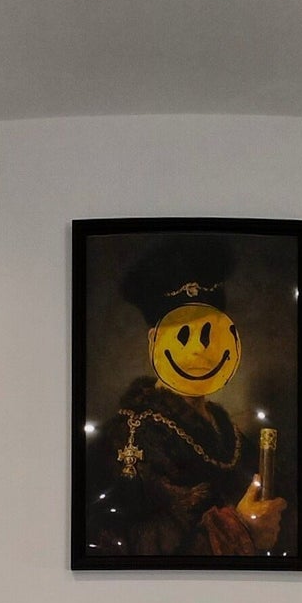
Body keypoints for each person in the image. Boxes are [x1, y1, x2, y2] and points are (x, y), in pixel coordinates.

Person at [93, 234, 285, 557]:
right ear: (154, 340)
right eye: (184, 334)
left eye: (210, 333)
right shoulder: (132, 435)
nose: (199, 350)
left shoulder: (230, 435)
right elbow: (138, 547)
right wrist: (241, 528)